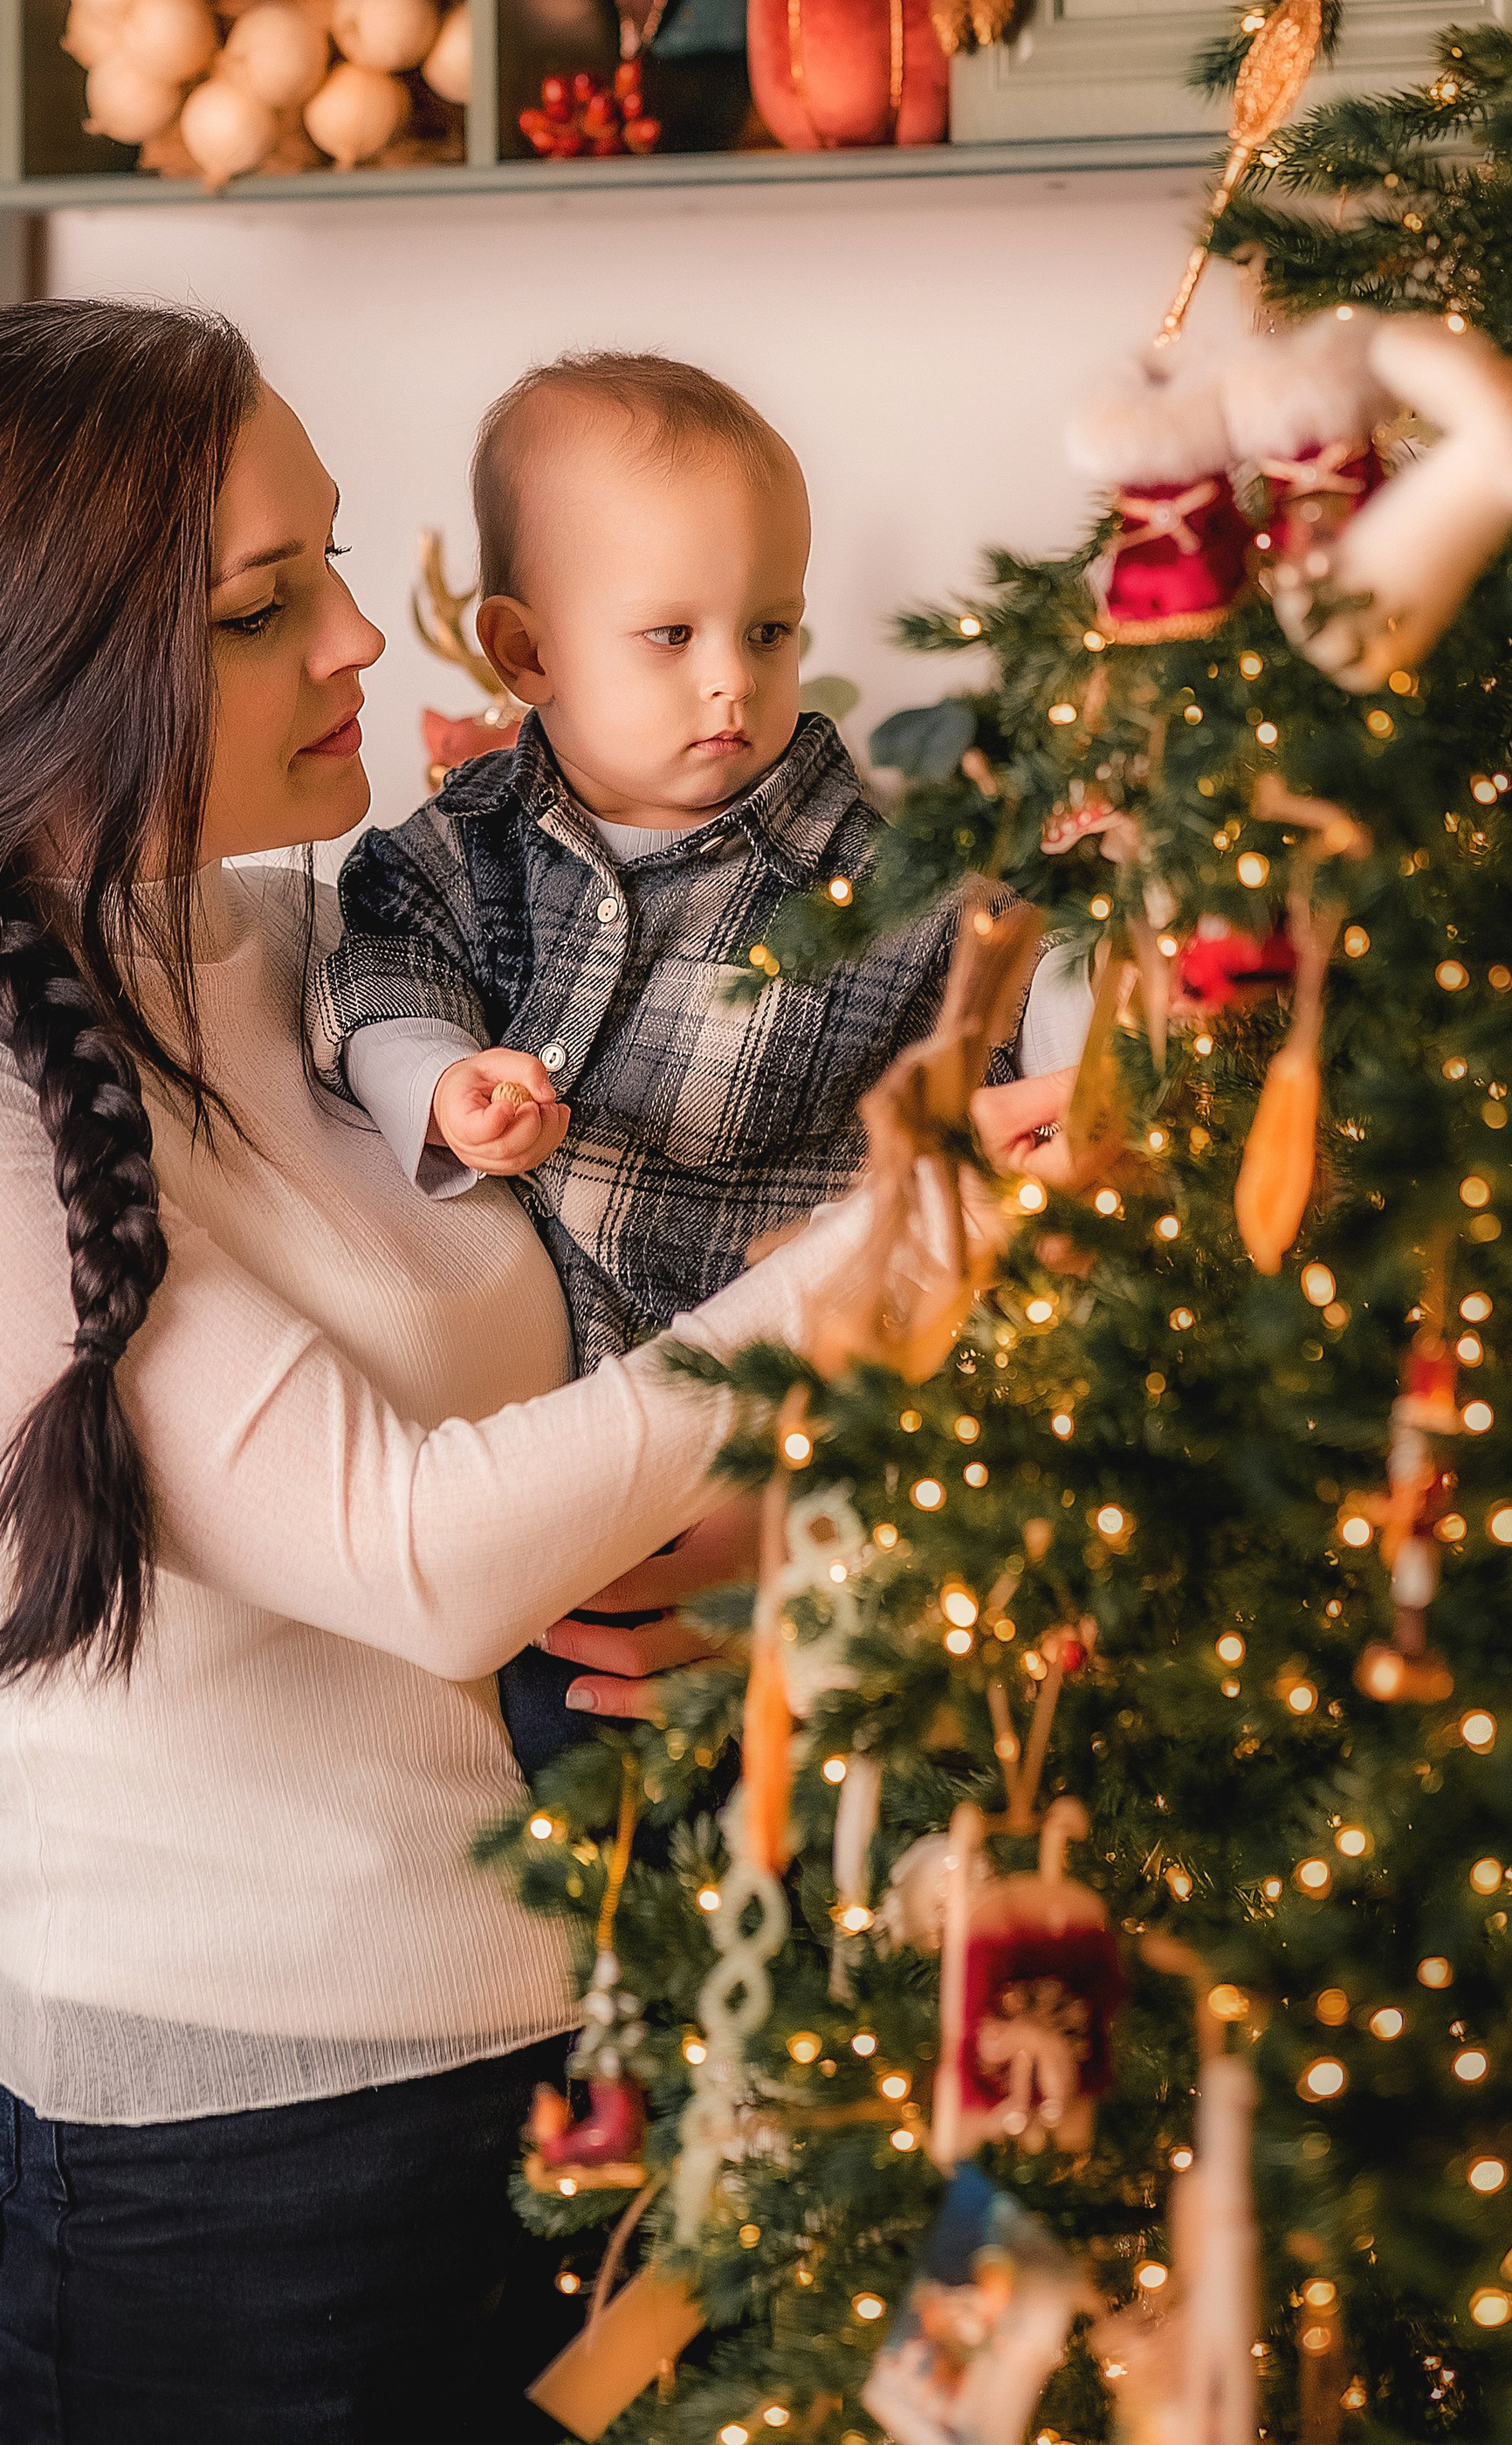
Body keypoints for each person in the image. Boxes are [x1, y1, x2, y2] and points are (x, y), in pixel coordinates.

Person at [0, 300, 890, 2445]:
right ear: (57, 665)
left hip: (614, 2068)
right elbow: (417, 1554)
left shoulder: (334, 951)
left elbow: (617, 1367)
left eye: (338, 565)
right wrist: (882, 1255)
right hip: (241, 2188)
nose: (370, 641)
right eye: (269, 606)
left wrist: (755, 1526)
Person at [313, 352, 1085, 1772]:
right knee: (577, 1828)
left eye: (773, 629)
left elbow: (1028, 981)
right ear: (526, 652)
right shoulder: (464, 846)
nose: (735, 681)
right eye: (670, 637)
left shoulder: (877, 872)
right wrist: (435, 1081)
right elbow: (378, 966)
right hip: (563, 1495)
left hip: (807, 1455)